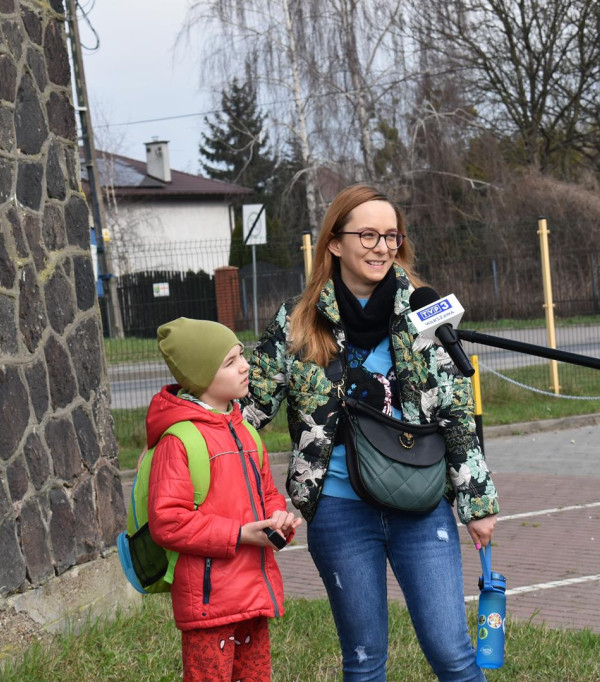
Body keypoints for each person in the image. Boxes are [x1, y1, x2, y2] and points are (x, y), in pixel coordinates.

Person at [241, 184, 499, 681]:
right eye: (368, 235)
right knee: (363, 662)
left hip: (421, 506)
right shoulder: (297, 322)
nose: (383, 247)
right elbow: (252, 410)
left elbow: (457, 415)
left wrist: (478, 503)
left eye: (391, 236)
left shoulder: (426, 314)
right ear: (334, 243)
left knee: (452, 653)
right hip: (340, 511)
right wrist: (194, 414)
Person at [147, 317, 301, 682]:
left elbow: (266, 493)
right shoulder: (179, 441)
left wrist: (278, 518)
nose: (245, 365)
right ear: (201, 377)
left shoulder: (245, 430)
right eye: (230, 362)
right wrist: (240, 534)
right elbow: (168, 523)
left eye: (241, 355)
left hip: (252, 594)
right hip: (209, 604)